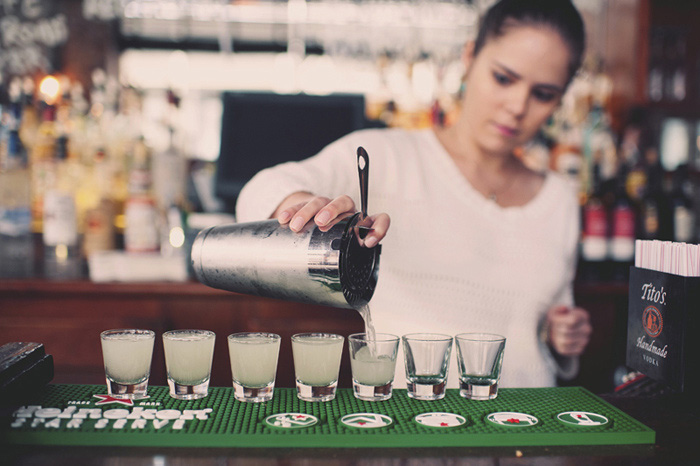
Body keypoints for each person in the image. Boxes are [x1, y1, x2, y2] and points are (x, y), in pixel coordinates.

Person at [236, 0, 592, 388]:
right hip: (412, 422)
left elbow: (546, 329)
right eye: (504, 78)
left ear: (560, 99)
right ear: (470, 57)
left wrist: (562, 341)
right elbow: (260, 188)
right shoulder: (385, 155)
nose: (517, 106)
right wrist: (306, 210)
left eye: (542, 93)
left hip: (529, 426)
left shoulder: (559, 200)